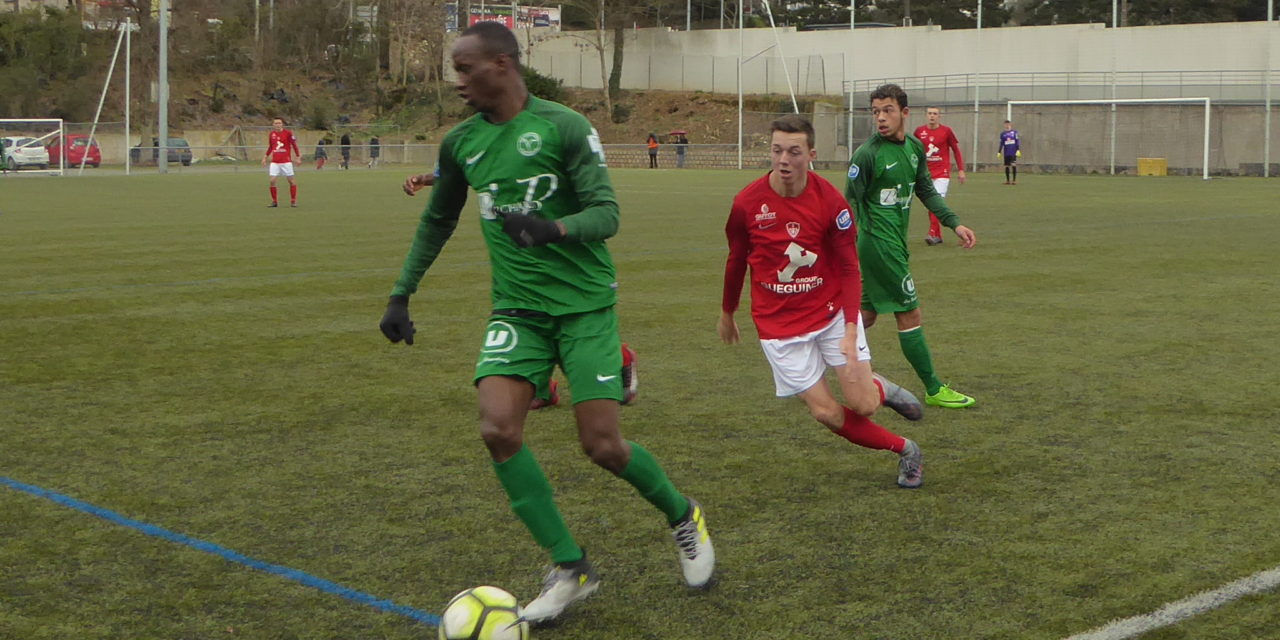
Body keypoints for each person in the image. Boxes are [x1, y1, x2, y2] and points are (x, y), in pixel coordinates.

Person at [379, 22, 713, 624]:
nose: (457, 82)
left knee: (602, 446)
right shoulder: (461, 144)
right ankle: (571, 566)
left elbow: (607, 213)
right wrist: (401, 295)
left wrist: (554, 229)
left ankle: (682, 515)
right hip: (516, 310)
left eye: (465, 68)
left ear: (503, 64)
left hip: (584, 306)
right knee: (498, 430)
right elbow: (437, 221)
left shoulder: (562, 127)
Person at [720, 115, 925, 489]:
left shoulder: (831, 202)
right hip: (778, 327)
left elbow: (849, 268)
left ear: (810, 154)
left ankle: (878, 388)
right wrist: (727, 311)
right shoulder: (746, 205)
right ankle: (906, 449)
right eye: (777, 150)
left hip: (831, 315)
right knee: (826, 413)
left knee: (863, 404)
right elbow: (736, 260)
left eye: (794, 151)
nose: (783, 159)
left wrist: (850, 328)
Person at [402, 168, 640, 411]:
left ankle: (618, 358)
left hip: (557, 241)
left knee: (568, 315)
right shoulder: (485, 140)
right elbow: (465, 165)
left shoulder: (552, 137)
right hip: (514, 245)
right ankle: (540, 386)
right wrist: (426, 179)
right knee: (523, 314)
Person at [845, 84, 978, 409]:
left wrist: (954, 223)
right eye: (875, 111)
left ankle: (815, 365)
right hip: (879, 245)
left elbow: (927, 191)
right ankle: (933, 388)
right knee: (909, 312)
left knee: (867, 314)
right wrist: (845, 249)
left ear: (904, 113)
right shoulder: (867, 155)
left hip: (894, 244)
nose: (880, 118)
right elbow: (847, 205)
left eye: (887, 110)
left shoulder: (914, 148)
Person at [913, 107, 965, 246]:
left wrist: (961, 170)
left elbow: (956, 150)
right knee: (931, 205)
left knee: (936, 203)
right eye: (930, 113)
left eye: (935, 114)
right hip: (925, 173)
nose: (932, 116)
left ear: (939, 116)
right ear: (926, 115)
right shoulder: (919, 132)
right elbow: (912, 150)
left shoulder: (946, 131)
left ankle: (933, 233)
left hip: (942, 173)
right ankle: (938, 235)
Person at [262, 117, 300, 208]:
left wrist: (298, 157)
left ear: (282, 124)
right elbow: (271, 147)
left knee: (291, 181)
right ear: (273, 125)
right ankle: (274, 201)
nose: (278, 125)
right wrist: (265, 157)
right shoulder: (272, 134)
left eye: (279, 123)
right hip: (275, 162)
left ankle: (293, 201)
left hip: (286, 161)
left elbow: (294, 145)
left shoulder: (288, 133)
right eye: (276, 123)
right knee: (272, 181)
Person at [999, 120, 1021, 184]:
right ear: (1004, 125)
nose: (1007, 125)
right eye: (1005, 124)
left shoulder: (1014, 132)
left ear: (1010, 124)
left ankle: (1014, 180)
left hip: (1013, 152)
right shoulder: (1003, 134)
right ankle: (1007, 181)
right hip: (1006, 152)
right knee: (1006, 166)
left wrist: (1018, 150)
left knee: (1013, 165)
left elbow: (1017, 141)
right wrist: (999, 151)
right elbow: (1001, 143)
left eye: (1008, 124)